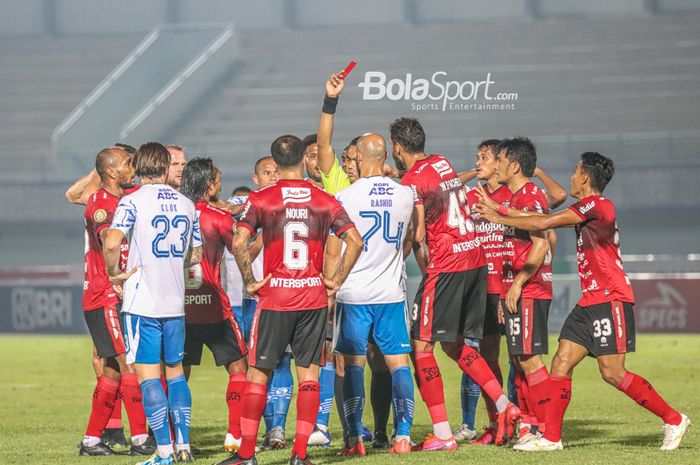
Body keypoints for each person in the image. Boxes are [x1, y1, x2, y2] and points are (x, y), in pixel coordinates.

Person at [476, 151, 691, 451]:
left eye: (576, 171)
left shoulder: (598, 205)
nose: (572, 176)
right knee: (561, 361)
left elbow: (546, 221)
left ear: (586, 177)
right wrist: (499, 209)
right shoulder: (586, 207)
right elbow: (541, 219)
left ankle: (673, 418)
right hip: (589, 302)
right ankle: (551, 438)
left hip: (610, 299)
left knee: (612, 373)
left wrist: (498, 215)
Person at [218, 134, 363, 465]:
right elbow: (354, 241)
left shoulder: (262, 198)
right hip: (312, 297)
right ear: (303, 160)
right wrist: (335, 281)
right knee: (309, 377)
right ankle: (299, 456)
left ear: (275, 161)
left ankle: (247, 455)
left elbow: (240, 242)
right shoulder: (324, 199)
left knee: (259, 375)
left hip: (275, 298)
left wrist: (250, 281)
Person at [391, 116, 520, 450]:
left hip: (447, 266)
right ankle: (506, 406)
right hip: (475, 259)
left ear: (397, 147)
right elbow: (445, 187)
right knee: (454, 345)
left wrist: (404, 259)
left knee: (420, 346)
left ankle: (444, 434)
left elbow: (419, 235)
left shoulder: (412, 181)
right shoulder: (442, 163)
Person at [104, 142, 203, 465]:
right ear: (164, 168)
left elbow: (112, 241)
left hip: (142, 301)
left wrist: (114, 273)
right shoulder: (187, 204)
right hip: (175, 302)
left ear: (137, 167)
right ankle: (184, 446)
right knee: (175, 373)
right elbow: (197, 254)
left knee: (148, 376)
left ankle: (163, 452)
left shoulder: (131, 201)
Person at [328, 132, 418, 456]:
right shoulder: (406, 194)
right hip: (391, 293)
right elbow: (413, 236)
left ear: (361, 159)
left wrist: (330, 285)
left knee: (353, 365)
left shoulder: (345, 196)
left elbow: (334, 249)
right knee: (398, 364)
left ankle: (354, 440)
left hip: (353, 294)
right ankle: (403, 436)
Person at [78, 146, 151, 457]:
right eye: (126, 163)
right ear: (110, 172)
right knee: (128, 363)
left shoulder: (127, 195)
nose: (131, 167)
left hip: (115, 294)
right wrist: (117, 275)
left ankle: (92, 441)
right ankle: (139, 439)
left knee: (112, 370)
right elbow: (110, 238)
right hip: (105, 294)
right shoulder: (101, 204)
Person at [179, 159, 249, 453]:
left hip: (179, 308)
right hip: (214, 307)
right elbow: (242, 246)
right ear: (209, 185)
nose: (220, 185)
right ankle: (235, 434)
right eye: (218, 181)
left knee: (177, 372)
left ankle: (177, 439)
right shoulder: (216, 217)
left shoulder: (176, 212)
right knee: (238, 369)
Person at [451, 139, 511, 444]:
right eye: (477, 157)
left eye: (484, 157)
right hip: (474, 287)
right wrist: (471, 173)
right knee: (472, 355)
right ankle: (481, 422)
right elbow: (445, 185)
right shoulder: (471, 195)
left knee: (492, 357)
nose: (478, 162)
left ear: (499, 162)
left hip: (499, 290)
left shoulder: (509, 198)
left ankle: (501, 421)